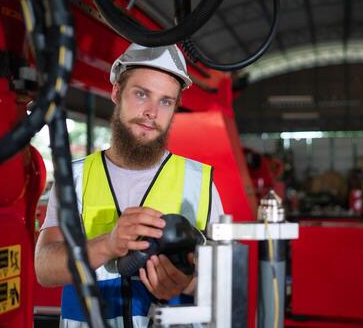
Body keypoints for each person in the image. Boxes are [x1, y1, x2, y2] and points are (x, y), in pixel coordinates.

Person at [35, 43, 224, 327]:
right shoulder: (73, 178)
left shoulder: (200, 182)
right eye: (141, 94)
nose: (152, 112)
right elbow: (45, 269)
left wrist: (187, 284)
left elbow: (226, 282)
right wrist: (107, 245)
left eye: (165, 101)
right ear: (116, 92)